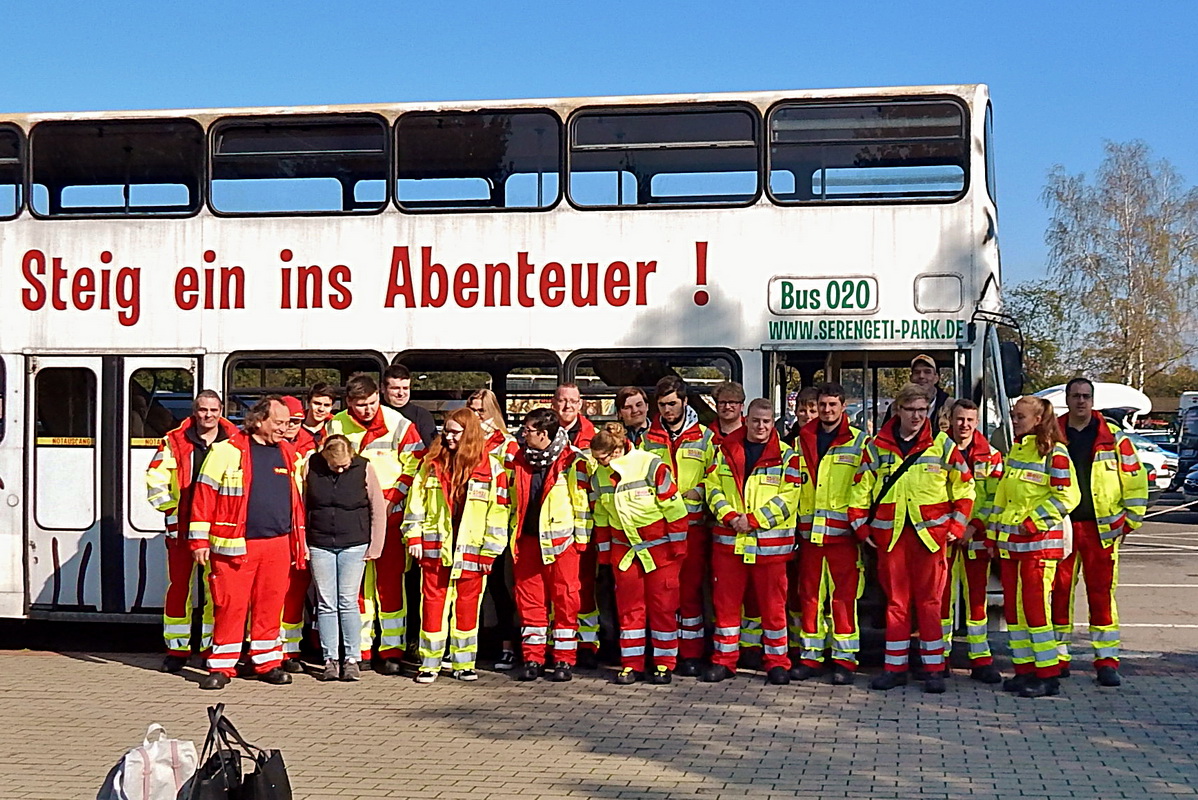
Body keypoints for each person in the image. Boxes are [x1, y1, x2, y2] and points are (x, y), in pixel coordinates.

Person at [849, 382, 974, 694]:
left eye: (922, 410)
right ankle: (894, 668)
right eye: (911, 409)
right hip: (891, 537)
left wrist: (956, 529)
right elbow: (860, 489)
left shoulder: (943, 445)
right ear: (898, 410)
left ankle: (933, 670)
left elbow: (966, 490)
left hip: (931, 538)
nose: (917, 415)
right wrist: (862, 528)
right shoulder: (877, 446)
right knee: (896, 604)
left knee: (931, 603)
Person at [189, 396, 308, 690]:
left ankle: (266, 662)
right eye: (278, 423)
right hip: (235, 545)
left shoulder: (288, 453)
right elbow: (203, 497)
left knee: (270, 606)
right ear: (258, 421)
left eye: (288, 423)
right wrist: (199, 541)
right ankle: (221, 667)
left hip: (279, 544)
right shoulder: (225, 451)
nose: (284, 428)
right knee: (230, 606)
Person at [326, 373, 426, 674]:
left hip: (391, 514)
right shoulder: (336, 424)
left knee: (390, 583)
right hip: (352, 515)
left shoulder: (399, 424)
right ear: (349, 403)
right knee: (356, 588)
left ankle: (391, 649)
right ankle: (362, 648)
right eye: (360, 405)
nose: (368, 410)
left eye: (371, 403)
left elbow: (416, 462)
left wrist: (395, 496)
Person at [1052, 378, 1148, 687]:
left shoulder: (1115, 438)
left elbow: (1134, 480)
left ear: (1093, 400)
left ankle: (1106, 661)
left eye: (1086, 396)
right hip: (1063, 526)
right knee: (1059, 593)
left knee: (1101, 594)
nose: (1081, 401)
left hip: (1101, 529)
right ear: (1067, 399)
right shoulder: (1050, 434)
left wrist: (1130, 520)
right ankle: (1058, 656)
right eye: (1075, 396)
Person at [403, 408, 510, 684]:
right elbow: (415, 506)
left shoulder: (492, 469)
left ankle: (464, 663)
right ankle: (429, 663)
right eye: (446, 431)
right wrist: (413, 537)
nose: (448, 437)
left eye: (454, 432)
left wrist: (491, 550)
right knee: (433, 606)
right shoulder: (430, 464)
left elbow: (498, 514)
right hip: (435, 549)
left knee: (467, 609)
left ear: (469, 434)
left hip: (474, 551)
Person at [701, 398, 801, 685]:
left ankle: (777, 663)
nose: (761, 426)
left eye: (767, 421)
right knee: (726, 607)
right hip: (729, 543)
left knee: (773, 609)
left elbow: (789, 498)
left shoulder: (787, 456)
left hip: (769, 548)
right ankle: (724, 661)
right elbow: (713, 487)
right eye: (756, 420)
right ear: (746, 419)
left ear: (773, 423)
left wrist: (754, 520)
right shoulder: (724, 451)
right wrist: (731, 516)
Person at [990, 396, 1080, 698]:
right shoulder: (1017, 450)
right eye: (1014, 416)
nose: (1014, 421)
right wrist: (995, 530)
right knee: (1015, 611)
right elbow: (1004, 497)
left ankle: (1048, 675)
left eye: (1020, 417)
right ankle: (1024, 670)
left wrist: (1032, 523)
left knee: (1036, 609)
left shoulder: (1055, 453)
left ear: (1038, 420)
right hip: (1012, 544)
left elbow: (1067, 497)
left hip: (1039, 544)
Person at [145, 390, 238, 673]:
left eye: (213, 409)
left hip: (219, 527)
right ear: (194, 411)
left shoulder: (236, 441)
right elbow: (156, 477)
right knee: (179, 589)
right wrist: (171, 510)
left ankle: (212, 647)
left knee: (217, 591)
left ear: (221, 410)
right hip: (182, 528)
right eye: (202, 409)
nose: (208, 415)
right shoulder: (174, 440)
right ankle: (177, 649)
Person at [592, 423, 689, 684]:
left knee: (663, 608)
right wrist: (604, 556)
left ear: (617, 450)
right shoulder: (599, 476)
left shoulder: (651, 465)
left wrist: (678, 549)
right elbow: (601, 519)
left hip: (660, 550)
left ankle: (664, 664)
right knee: (629, 609)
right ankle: (631, 664)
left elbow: (675, 510)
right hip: (624, 553)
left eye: (602, 459)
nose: (599, 464)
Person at [790, 383, 869, 686]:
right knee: (809, 597)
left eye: (832, 405)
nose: (826, 410)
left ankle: (844, 660)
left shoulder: (860, 442)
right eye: (822, 405)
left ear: (843, 406)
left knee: (842, 600)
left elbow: (866, 487)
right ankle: (810, 657)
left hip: (843, 537)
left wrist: (859, 523)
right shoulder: (801, 441)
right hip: (810, 536)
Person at [641, 376, 717, 677]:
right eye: (662, 405)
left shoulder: (705, 437)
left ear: (685, 402)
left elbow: (716, 475)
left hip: (694, 528)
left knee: (690, 594)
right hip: (659, 530)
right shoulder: (647, 438)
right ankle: (665, 657)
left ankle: (691, 654)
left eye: (672, 403)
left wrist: (700, 490)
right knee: (663, 597)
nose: (668, 410)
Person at [509, 408, 591, 682]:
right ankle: (533, 658)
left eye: (528, 430)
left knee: (566, 601)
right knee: (529, 601)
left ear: (544, 434)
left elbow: (581, 504)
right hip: (527, 541)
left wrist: (580, 542)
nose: (523, 434)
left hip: (561, 543)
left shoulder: (572, 461)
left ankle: (564, 660)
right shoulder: (519, 460)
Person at [303, 434, 387, 681]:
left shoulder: (364, 467)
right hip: (320, 542)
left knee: (347, 600)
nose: (340, 469)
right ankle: (330, 659)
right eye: (334, 465)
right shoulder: (312, 466)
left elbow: (377, 508)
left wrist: (376, 545)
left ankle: (352, 658)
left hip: (354, 542)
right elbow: (303, 503)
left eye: (344, 465)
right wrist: (303, 542)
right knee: (326, 602)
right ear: (325, 457)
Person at [939, 399, 1005, 684]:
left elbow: (995, 500)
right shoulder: (936, 451)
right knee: (940, 599)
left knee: (977, 601)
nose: (964, 425)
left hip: (975, 538)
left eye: (970, 420)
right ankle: (939, 657)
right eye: (959, 419)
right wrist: (950, 526)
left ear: (977, 422)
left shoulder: (992, 456)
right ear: (950, 420)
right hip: (943, 536)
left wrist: (973, 525)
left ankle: (980, 659)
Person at [466, 388, 520, 670]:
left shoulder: (506, 443)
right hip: (467, 525)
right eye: (472, 410)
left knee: (500, 588)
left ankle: (507, 647)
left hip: (497, 523)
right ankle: (466, 647)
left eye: (482, 410)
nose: (477, 416)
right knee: (467, 590)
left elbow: (513, 484)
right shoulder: (464, 441)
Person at [551, 382, 599, 664]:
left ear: (581, 404)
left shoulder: (592, 436)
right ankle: (555, 644)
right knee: (556, 589)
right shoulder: (541, 431)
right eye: (562, 401)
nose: (567, 406)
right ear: (553, 403)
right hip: (555, 525)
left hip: (586, 523)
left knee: (584, 587)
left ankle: (588, 644)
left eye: (573, 401)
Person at [279, 395, 315, 671]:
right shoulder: (264, 445)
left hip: (302, 528)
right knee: (268, 593)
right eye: (288, 420)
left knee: (295, 590)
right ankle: (263, 647)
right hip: (275, 527)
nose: (292, 426)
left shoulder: (312, 446)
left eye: (297, 421)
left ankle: (290, 650)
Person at [883, 355, 954, 432]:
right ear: (911, 378)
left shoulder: (950, 406)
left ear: (936, 378)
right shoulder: (896, 407)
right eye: (917, 372)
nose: (921, 376)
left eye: (927, 372)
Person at [382, 364, 437, 448]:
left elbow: (432, 450)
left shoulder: (422, 416)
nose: (401, 393)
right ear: (383, 388)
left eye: (405, 388)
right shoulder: (373, 413)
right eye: (395, 388)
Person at [299, 383, 336, 453]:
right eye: (317, 403)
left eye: (326, 405)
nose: (321, 409)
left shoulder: (336, 428)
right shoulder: (293, 428)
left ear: (332, 407)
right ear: (308, 402)